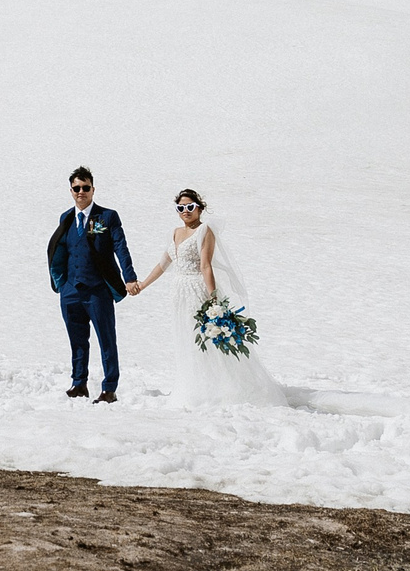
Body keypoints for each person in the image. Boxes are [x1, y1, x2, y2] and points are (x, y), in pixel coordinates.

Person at [135, 188, 287, 407]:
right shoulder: (176, 232)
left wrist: (213, 299)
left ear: (199, 208)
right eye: (180, 208)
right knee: (186, 338)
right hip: (179, 291)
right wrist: (143, 285)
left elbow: (206, 266)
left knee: (204, 340)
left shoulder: (205, 230)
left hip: (197, 290)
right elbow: (163, 264)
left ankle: (220, 388)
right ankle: (193, 386)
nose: (185, 211)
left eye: (189, 207)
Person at [46, 166, 136, 402]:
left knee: (106, 338)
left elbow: (120, 248)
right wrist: (62, 284)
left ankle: (109, 388)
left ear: (93, 189)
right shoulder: (66, 217)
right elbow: (61, 250)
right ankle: (79, 383)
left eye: (86, 187)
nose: (81, 192)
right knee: (77, 340)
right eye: (77, 188)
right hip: (70, 291)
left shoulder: (107, 217)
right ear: (71, 191)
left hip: (97, 290)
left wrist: (129, 277)